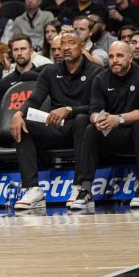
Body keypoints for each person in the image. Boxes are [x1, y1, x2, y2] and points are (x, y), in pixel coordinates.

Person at [10, 31, 101, 210]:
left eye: (71, 43)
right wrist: (18, 114)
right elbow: (34, 100)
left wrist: (70, 110)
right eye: (63, 44)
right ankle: (32, 189)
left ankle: (80, 187)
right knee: (23, 124)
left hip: (84, 128)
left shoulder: (96, 72)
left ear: (82, 47)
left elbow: (97, 107)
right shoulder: (50, 71)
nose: (66, 48)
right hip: (57, 127)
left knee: (82, 120)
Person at [70, 42, 139, 211]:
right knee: (91, 129)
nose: (115, 60)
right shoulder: (101, 79)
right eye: (111, 56)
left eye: (119, 56)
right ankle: (85, 189)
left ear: (130, 57)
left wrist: (119, 119)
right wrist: (98, 119)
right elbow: (93, 110)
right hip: (117, 131)